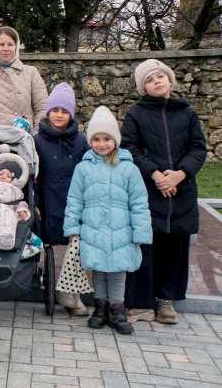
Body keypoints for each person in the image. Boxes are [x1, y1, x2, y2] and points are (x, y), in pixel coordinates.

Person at [122, 59, 206, 325]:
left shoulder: (187, 113)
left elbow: (198, 148)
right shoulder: (136, 114)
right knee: (145, 247)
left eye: (160, 76)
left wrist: (180, 174)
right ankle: (140, 302)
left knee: (174, 249)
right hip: (149, 190)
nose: (156, 81)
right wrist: (156, 174)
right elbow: (130, 148)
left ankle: (165, 299)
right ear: (143, 88)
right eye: (149, 79)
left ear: (169, 79)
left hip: (181, 190)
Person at [64, 106, 151, 335]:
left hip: (121, 230)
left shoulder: (129, 168)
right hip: (92, 228)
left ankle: (117, 309)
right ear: (90, 141)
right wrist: (72, 227)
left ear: (115, 140)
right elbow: (74, 200)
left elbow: (139, 202)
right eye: (96, 139)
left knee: (118, 271)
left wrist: (141, 231)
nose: (101, 144)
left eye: (106, 138)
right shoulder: (83, 168)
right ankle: (100, 307)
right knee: (99, 270)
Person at [33, 82, 89, 315]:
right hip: (47, 198)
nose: (59, 115)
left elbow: (88, 172)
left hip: (73, 200)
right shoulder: (37, 141)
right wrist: (35, 203)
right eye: (55, 110)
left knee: (75, 244)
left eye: (64, 111)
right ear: (48, 112)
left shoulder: (81, 141)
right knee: (47, 243)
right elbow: (33, 175)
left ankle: (70, 291)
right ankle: (45, 282)